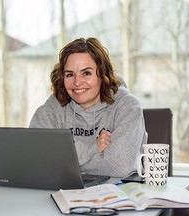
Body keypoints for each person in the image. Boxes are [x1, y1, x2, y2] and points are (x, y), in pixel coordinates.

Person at [29, 37, 147, 178]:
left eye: (86, 73)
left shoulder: (128, 106)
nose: (77, 82)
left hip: (116, 194)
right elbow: (35, 158)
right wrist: (92, 148)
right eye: (70, 74)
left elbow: (119, 166)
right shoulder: (53, 107)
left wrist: (60, 160)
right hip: (65, 192)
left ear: (102, 75)